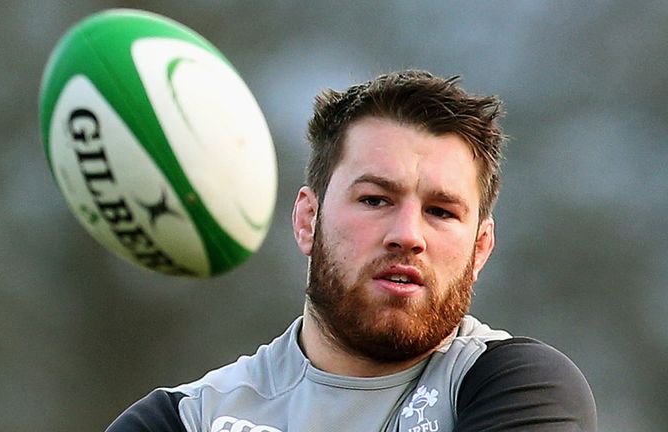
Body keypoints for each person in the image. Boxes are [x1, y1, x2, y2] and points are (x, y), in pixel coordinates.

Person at [106, 69, 597, 432]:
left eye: (442, 211)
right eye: (375, 200)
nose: (407, 234)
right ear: (307, 220)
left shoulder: (518, 387)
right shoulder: (184, 420)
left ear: (480, 248)